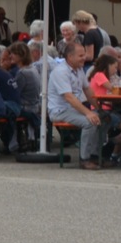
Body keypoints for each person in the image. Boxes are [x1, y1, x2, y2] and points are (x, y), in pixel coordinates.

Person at [47, 40, 104, 169]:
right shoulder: (61, 72)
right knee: (89, 122)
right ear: (70, 57)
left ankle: (96, 156)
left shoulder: (79, 69)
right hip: (60, 111)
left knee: (103, 118)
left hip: (73, 109)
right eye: (81, 55)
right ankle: (85, 159)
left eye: (84, 55)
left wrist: (98, 109)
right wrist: (88, 112)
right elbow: (69, 97)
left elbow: (88, 90)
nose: (84, 58)